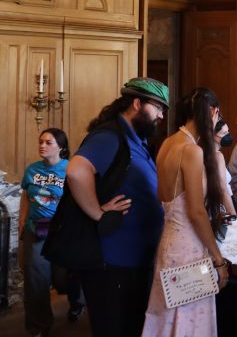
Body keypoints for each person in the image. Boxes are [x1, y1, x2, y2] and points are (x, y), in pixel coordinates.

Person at [63, 77, 167, 336]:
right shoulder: (110, 136)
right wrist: (98, 212)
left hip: (133, 260)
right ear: (136, 104)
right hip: (113, 262)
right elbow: (76, 171)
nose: (161, 116)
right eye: (158, 108)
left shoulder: (136, 139)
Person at [142, 88, 229, 335]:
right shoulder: (192, 150)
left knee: (166, 319)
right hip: (189, 248)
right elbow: (196, 212)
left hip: (169, 241)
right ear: (213, 112)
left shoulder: (167, 143)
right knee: (188, 322)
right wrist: (219, 259)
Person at [19, 128, 84, 335]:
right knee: (35, 281)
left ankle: (77, 303)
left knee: (65, 278)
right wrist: (22, 222)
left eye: (48, 142)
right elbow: (26, 197)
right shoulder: (32, 170)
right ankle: (39, 326)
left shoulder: (70, 169)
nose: (42, 145)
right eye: (41, 141)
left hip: (62, 232)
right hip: (35, 230)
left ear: (61, 147)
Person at [214, 119, 237, 219]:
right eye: (224, 133)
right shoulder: (217, 156)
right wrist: (233, 214)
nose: (228, 136)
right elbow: (223, 188)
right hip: (224, 203)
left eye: (228, 132)